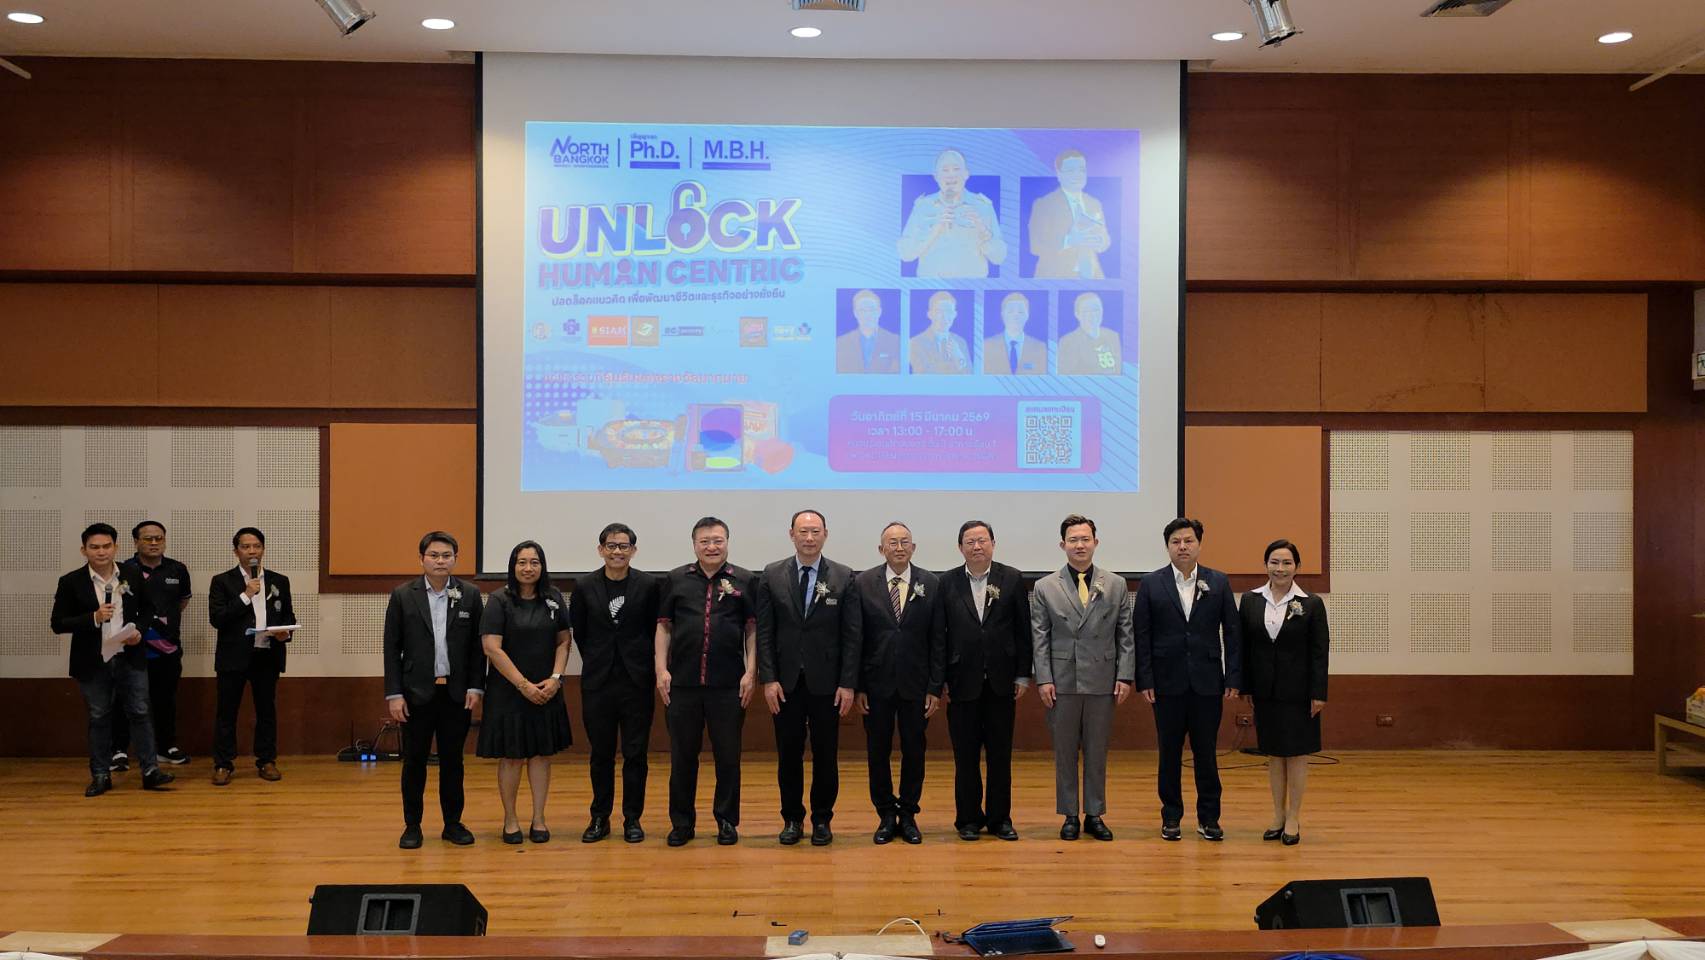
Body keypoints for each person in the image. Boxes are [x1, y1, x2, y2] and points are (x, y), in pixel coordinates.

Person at [1135, 518, 1242, 842]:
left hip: (1207, 683)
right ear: (1167, 546)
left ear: (1199, 544)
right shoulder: (1151, 583)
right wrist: (1145, 679)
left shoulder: (1218, 582)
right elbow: (1142, 635)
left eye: (1188, 541)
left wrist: (1233, 675)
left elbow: (1232, 632)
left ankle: (1209, 818)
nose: (1182, 547)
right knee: (1168, 754)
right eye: (1176, 542)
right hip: (1165, 684)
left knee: (1205, 753)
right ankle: (1171, 816)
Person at [655, 517, 758, 846]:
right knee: (682, 758)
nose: (711, 547)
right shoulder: (676, 579)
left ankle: (726, 821)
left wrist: (751, 672)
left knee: (728, 757)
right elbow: (663, 626)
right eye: (704, 541)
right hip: (682, 684)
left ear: (727, 542)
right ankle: (682, 823)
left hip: (728, 685)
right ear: (694, 544)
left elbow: (752, 629)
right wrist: (661, 669)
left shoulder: (744, 580)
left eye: (717, 540)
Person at [50, 522, 174, 796]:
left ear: (116, 547)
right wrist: (93, 618)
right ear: (84, 550)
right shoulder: (71, 581)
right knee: (99, 716)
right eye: (94, 547)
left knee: (140, 712)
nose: (101, 552)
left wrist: (139, 630)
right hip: (92, 661)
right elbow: (58, 623)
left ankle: (150, 771)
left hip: (130, 656)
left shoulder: (131, 574)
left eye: (106, 546)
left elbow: (148, 608)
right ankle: (100, 774)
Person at [756, 509, 855, 846]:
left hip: (828, 684)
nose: (809, 538)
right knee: (788, 755)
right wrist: (768, 679)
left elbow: (852, 635)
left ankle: (822, 819)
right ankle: (792, 819)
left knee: (826, 755)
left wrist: (848, 683)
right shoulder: (772, 574)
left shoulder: (843, 576)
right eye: (803, 531)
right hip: (785, 684)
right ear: (791, 534)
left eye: (815, 531)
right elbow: (765, 632)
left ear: (825, 534)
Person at [1030, 514, 1132, 841]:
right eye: (1073, 540)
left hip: (1102, 678)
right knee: (1065, 752)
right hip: (1062, 680)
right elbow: (1040, 637)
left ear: (1095, 542)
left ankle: (1095, 813)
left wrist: (1125, 676)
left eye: (1085, 539)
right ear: (1063, 545)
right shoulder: (1045, 586)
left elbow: (1125, 634)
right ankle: (1070, 814)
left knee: (1096, 751)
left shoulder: (1115, 584)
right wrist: (1043, 679)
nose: (1079, 545)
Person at [841, 521, 944, 844]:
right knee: (878, 751)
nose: (899, 548)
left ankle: (909, 813)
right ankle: (886, 813)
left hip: (917, 685)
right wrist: (858, 685)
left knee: (915, 749)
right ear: (881, 549)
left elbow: (938, 638)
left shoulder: (931, 583)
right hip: (876, 685)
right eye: (892, 542)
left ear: (914, 547)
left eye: (904, 542)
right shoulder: (863, 583)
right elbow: (855, 637)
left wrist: (934, 686)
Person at [382, 531, 486, 849]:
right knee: (414, 761)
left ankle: (452, 823)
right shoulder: (403, 595)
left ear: (455, 559)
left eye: (446, 556)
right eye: (434, 555)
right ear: (422, 558)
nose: (440, 561)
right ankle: (412, 825)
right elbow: (391, 648)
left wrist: (475, 686)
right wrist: (394, 694)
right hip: (416, 694)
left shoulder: (469, 595)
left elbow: (477, 648)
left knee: (453, 762)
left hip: (456, 694)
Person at [935, 520, 1032, 841]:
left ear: (993, 543)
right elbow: (939, 635)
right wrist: (940, 678)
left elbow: (1023, 630)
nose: (977, 546)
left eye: (982, 540)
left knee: (1000, 756)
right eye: (970, 542)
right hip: (961, 681)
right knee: (965, 757)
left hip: (1001, 683)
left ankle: (1000, 819)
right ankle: (968, 819)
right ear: (960, 547)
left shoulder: (1012, 578)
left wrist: (1022, 673)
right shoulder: (946, 582)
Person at [569, 522, 661, 844]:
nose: (617, 551)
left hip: (637, 681)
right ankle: (599, 817)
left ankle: (632, 818)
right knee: (601, 754)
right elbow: (580, 631)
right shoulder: (584, 586)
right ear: (601, 550)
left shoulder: (648, 585)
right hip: (598, 682)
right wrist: (600, 659)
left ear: (633, 551)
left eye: (623, 546)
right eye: (611, 546)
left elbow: (654, 629)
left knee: (635, 754)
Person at [477, 540, 573, 844]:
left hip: (547, 689)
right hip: (508, 692)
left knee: (541, 756)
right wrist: (523, 685)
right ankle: (510, 820)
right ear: (513, 566)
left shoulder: (553, 598)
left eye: (534, 562)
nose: (528, 568)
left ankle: (539, 819)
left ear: (542, 566)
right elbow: (491, 647)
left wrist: (556, 678)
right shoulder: (499, 600)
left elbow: (564, 641)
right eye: (522, 562)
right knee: (512, 757)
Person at [1240, 539, 1329, 846]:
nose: (1280, 568)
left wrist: (1319, 692)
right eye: (1274, 562)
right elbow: (1244, 647)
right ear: (1266, 565)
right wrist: (1246, 686)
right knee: (1275, 755)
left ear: (1297, 567)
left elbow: (1319, 652)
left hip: (1300, 693)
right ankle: (1278, 815)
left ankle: (1294, 816)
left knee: (1297, 755)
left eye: (1287, 563)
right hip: (1265, 692)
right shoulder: (1250, 601)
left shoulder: (1311, 603)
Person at [208, 526, 295, 786]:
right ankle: (223, 764)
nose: (252, 551)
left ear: (263, 549)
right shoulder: (222, 581)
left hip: (267, 655)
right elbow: (218, 619)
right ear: (236, 551)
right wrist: (246, 595)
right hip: (233, 657)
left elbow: (288, 615)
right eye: (245, 547)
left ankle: (267, 760)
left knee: (266, 711)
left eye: (256, 546)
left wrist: (285, 633)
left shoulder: (280, 581)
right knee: (226, 712)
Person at [110, 520, 192, 769]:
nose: (154, 543)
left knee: (165, 700)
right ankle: (119, 751)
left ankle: (165, 747)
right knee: (124, 700)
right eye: (148, 538)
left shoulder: (177, 569)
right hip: (131, 648)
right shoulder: (123, 570)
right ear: (136, 542)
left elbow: (182, 602)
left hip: (167, 649)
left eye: (159, 538)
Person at [897, 148, 1006, 278]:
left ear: (966, 174)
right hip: (932, 285)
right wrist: (933, 231)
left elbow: (999, 258)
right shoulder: (923, 206)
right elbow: (906, 255)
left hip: (972, 286)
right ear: (936, 177)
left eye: (956, 169)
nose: (951, 175)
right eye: (945, 170)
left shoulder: (982, 206)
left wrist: (982, 230)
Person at [1028, 149, 1110, 279]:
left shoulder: (1094, 203)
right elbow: (1036, 245)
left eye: (1081, 170)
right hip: (1055, 277)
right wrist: (1069, 241)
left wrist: (1099, 241)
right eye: (1071, 171)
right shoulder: (1044, 204)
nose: (1077, 175)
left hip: (1093, 275)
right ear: (1059, 174)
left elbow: (1105, 238)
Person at [835, 289, 901, 374]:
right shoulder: (840, 343)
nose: (867, 314)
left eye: (872, 310)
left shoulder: (896, 341)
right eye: (862, 310)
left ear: (879, 312)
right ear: (855, 313)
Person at [1056, 292, 1121, 375]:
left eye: (1096, 310)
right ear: (1077, 314)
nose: (1093, 315)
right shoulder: (1068, 342)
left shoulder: (1113, 336)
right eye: (1087, 311)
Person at [982, 293, 1046, 375]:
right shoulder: (987, 346)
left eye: (1020, 312)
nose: (1015, 316)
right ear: (1002, 315)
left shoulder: (1040, 348)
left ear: (1027, 315)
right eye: (1010, 312)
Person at [910, 291, 972, 375]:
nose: (944, 317)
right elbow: (924, 374)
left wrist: (959, 358)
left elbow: (970, 375)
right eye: (939, 312)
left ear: (954, 315)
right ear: (930, 314)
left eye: (949, 312)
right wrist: (957, 364)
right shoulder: (915, 343)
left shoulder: (960, 342)